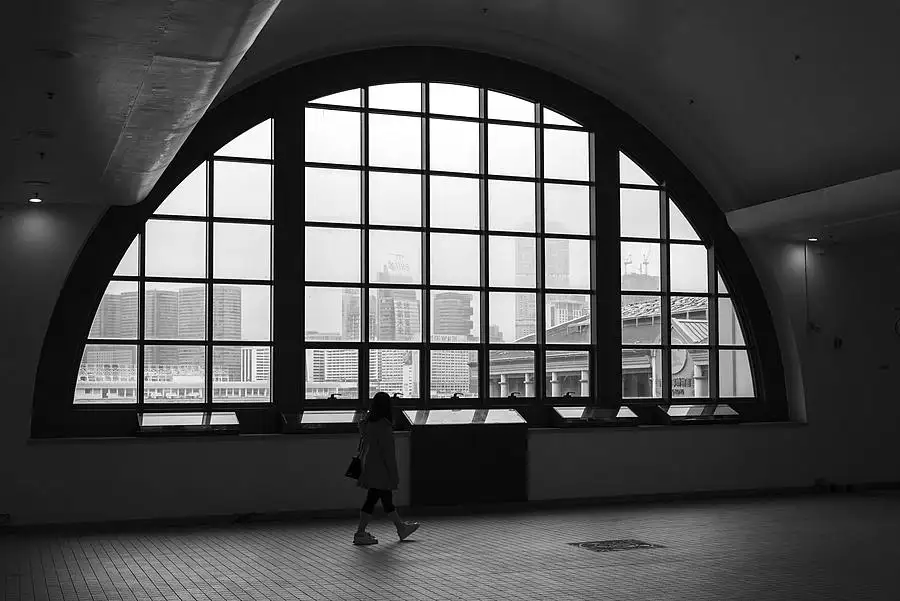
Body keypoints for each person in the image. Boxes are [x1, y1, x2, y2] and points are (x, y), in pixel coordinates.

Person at [354, 392, 420, 545]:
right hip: (381, 469)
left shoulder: (367, 424)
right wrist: (393, 474)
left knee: (380, 499)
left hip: (370, 466)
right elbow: (388, 454)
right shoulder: (383, 426)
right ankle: (361, 532)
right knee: (377, 499)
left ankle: (399, 527)